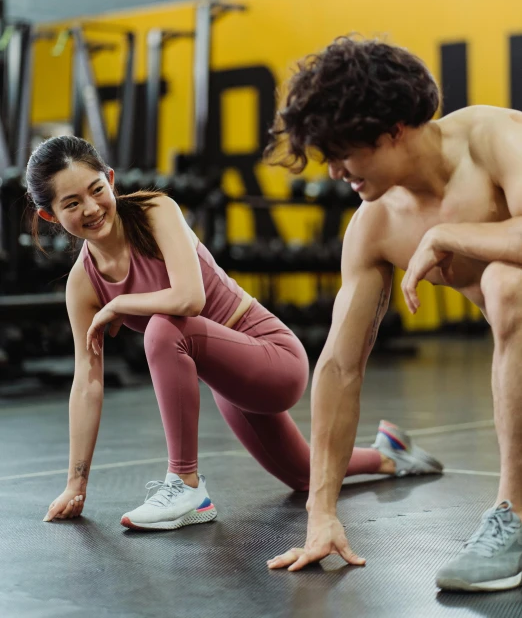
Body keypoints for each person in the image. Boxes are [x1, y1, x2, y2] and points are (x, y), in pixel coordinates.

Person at [25, 136, 441, 532]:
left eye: (97, 190)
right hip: (228, 380)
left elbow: (189, 298)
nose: (92, 208)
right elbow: (87, 382)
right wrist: (76, 484)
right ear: (50, 216)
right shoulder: (83, 284)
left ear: (111, 179)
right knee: (302, 474)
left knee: (162, 329)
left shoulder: (155, 211)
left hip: (273, 356)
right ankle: (389, 454)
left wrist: (120, 304)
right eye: (72, 203)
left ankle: (186, 486)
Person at [264, 35, 522, 592]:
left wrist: (451, 234)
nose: (334, 171)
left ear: (393, 131)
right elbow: (339, 366)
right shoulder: (375, 225)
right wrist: (322, 513)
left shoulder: (495, 138)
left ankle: (513, 516)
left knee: (507, 283)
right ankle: (514, 519)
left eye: (343, 153)